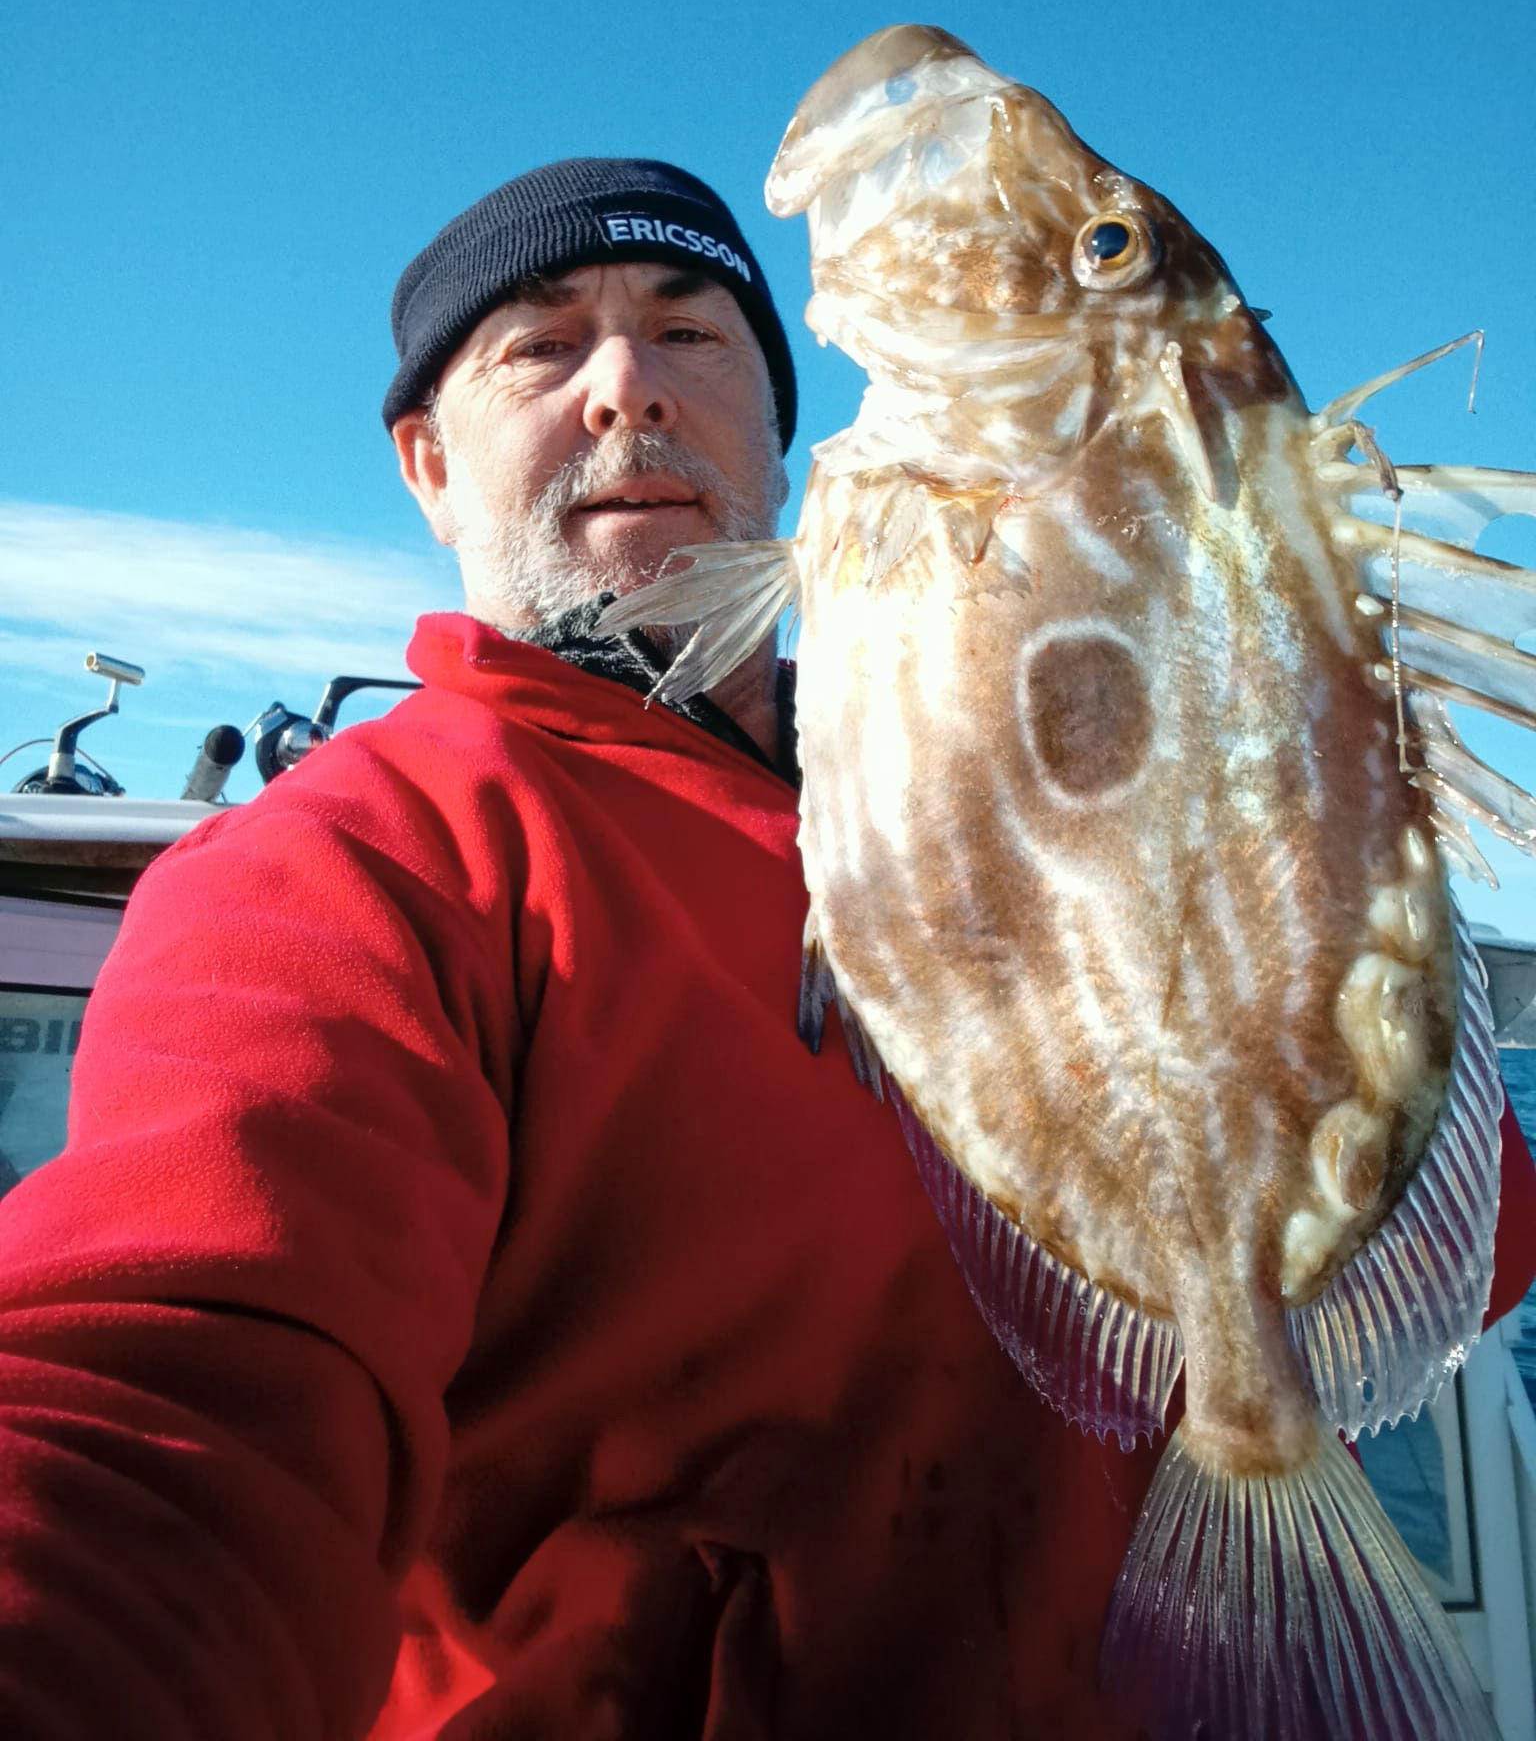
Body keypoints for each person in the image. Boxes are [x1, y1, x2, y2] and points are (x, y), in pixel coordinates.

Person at [0, 157, 1532, 1741]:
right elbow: (174, 1381)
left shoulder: (1027, 781)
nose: (628, 387)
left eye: (690, 333)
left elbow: (1486, 1250)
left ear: (783, 440)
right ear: (430, 469)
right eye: (540, 347)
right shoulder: (354, 867)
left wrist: (1305, 803)